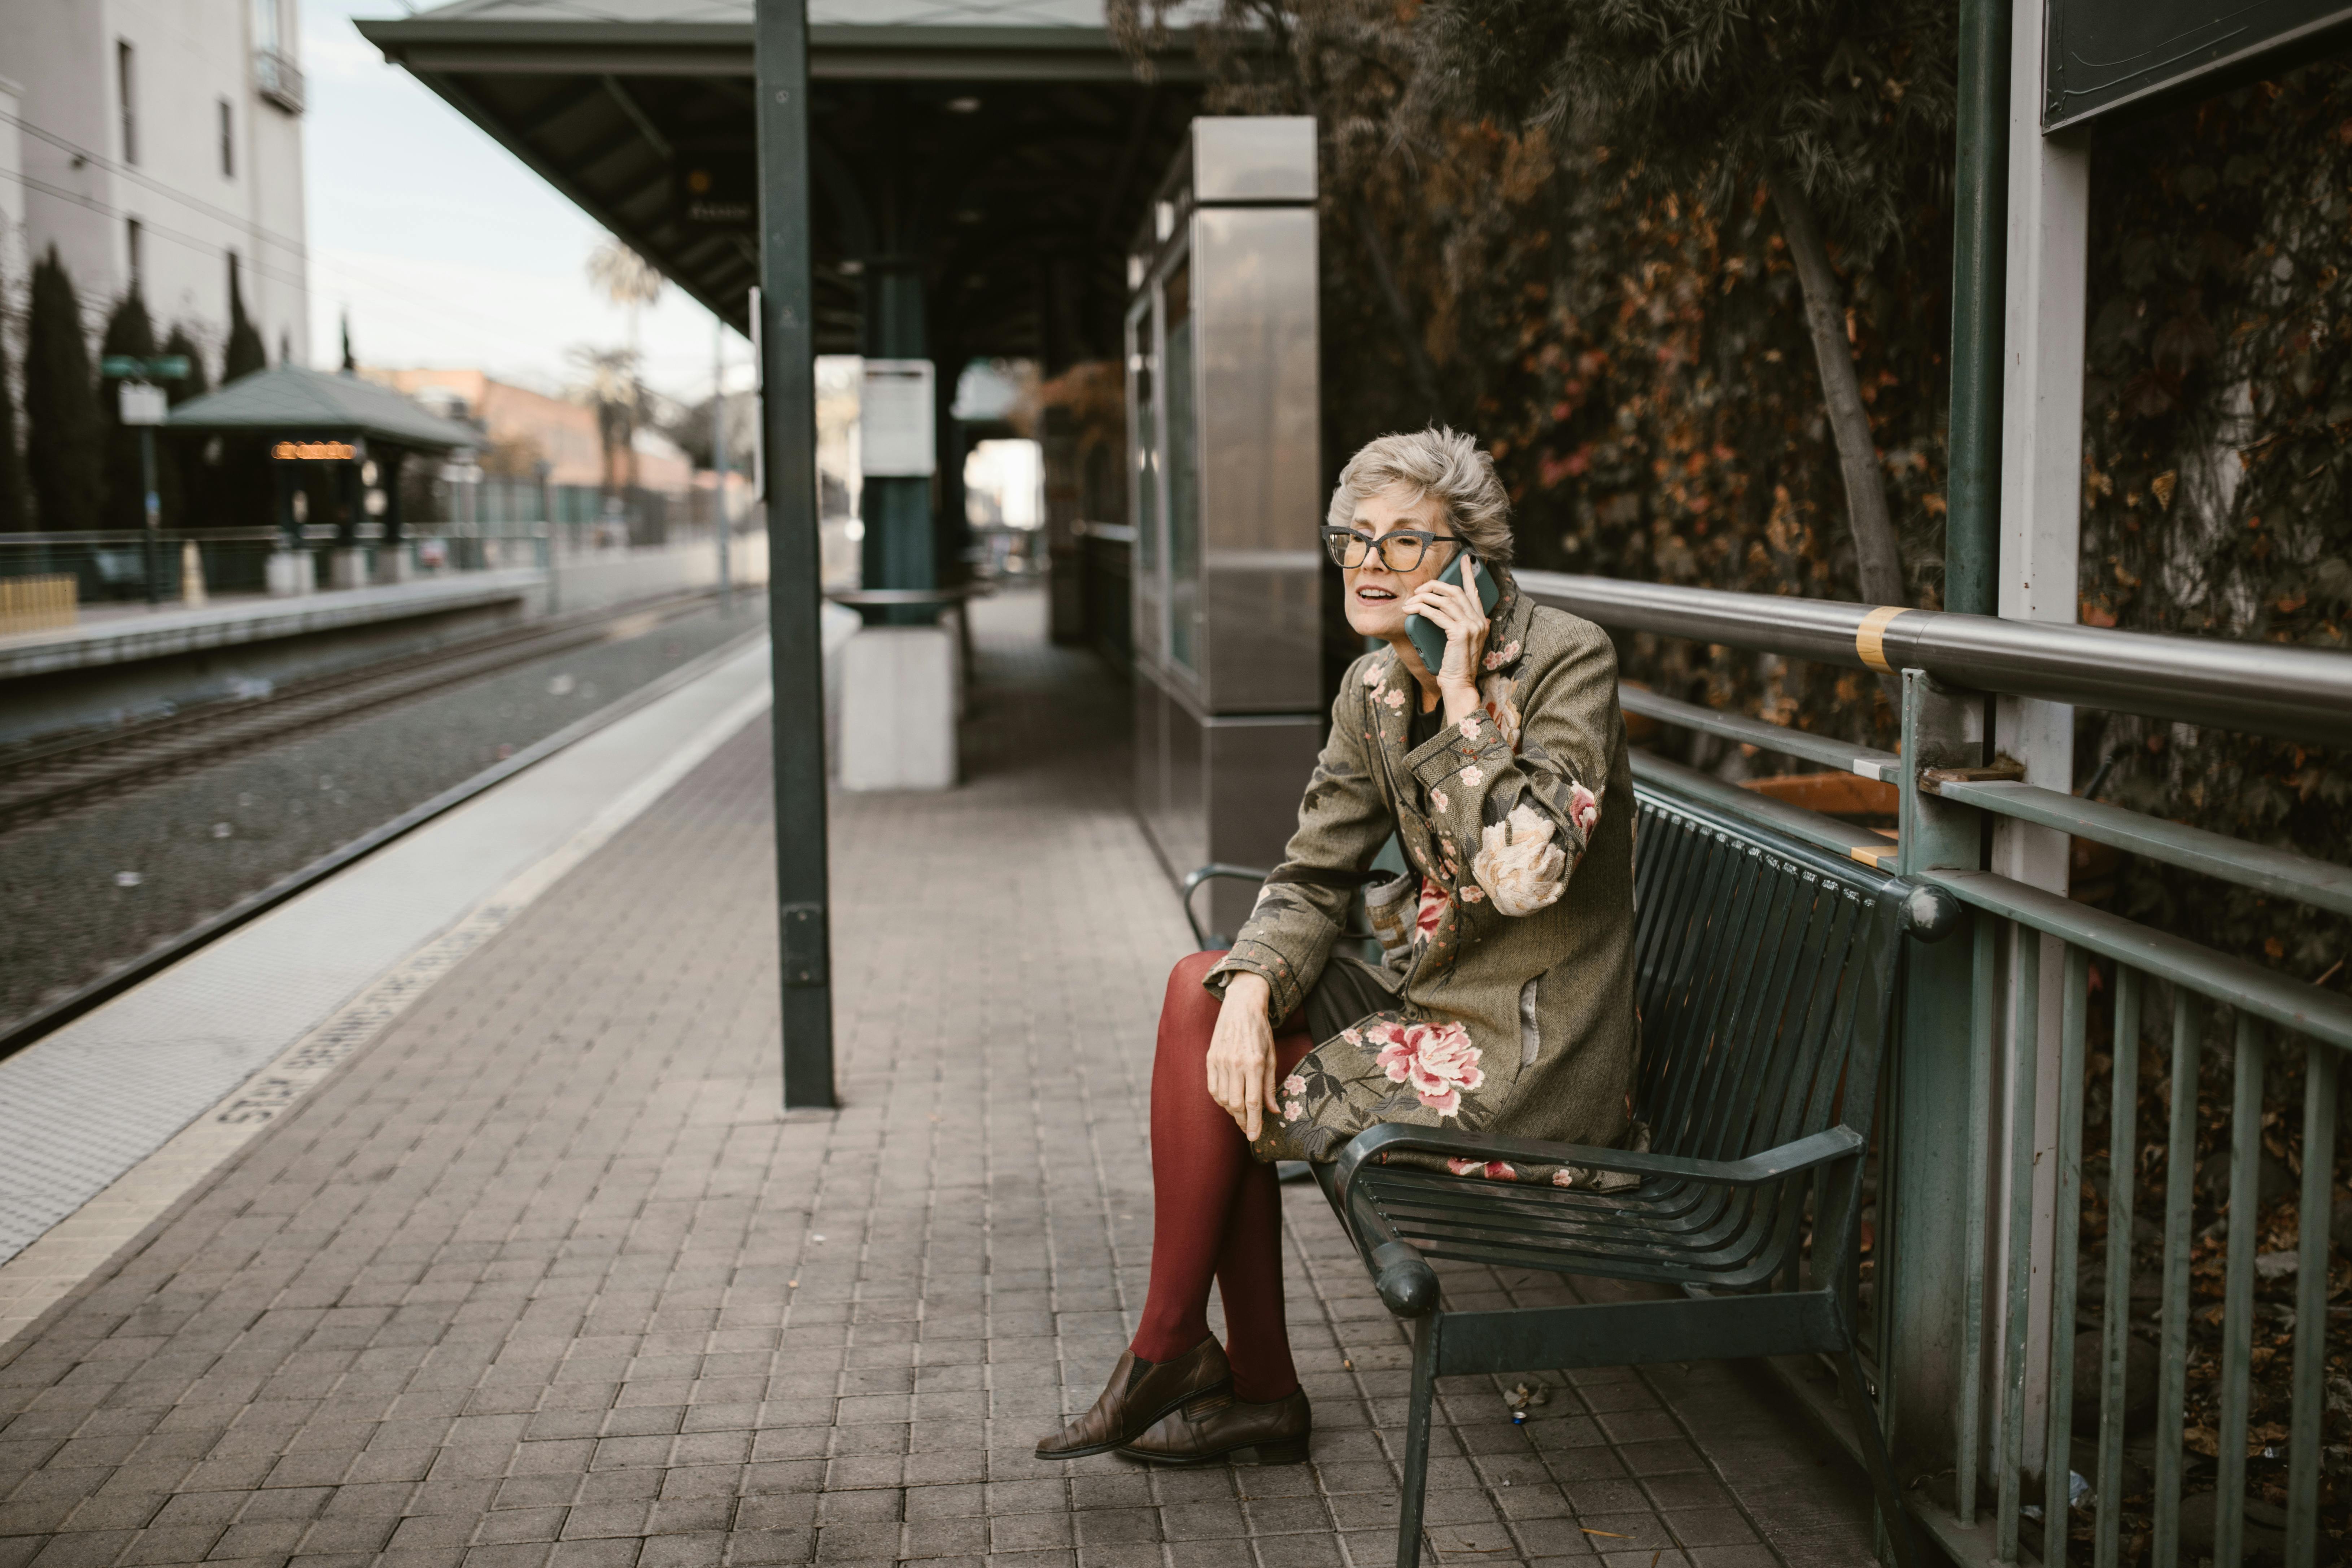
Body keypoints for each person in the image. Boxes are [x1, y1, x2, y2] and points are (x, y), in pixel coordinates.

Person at [1036, 427, 1639, 1467]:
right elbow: (1315, 872)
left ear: (1471, 562)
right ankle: (1198, 1359)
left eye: (1403, 542)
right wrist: (1250, 989)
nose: (1367, 561)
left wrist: (1462, 704)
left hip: (1536, 1058)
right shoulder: (1372, 687)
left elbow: (1527, 873)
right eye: (1354, 538)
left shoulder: (1565, 659)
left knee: (1221, 1067)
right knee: (1202, 993)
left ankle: (1210, 1368)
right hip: (1433, 1011)